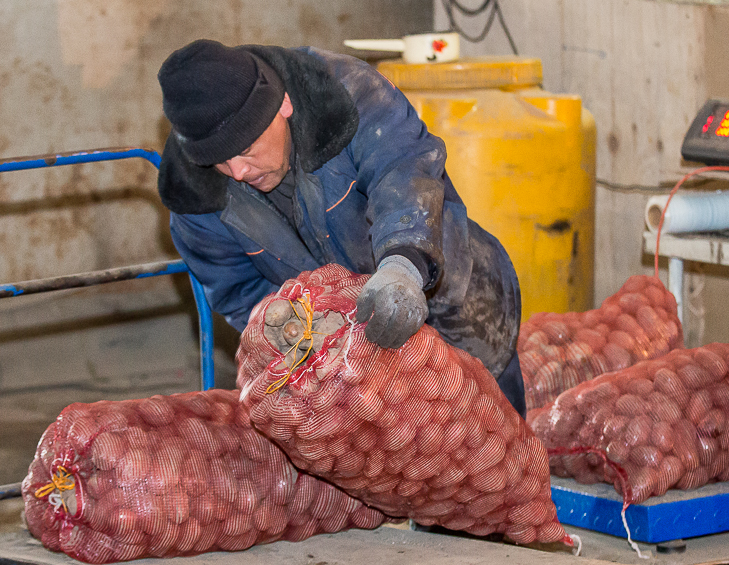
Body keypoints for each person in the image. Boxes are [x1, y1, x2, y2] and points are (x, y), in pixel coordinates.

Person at [156, 39, 526, 417]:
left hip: (444, 292)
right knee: (395, 452)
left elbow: (402, 167)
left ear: (283, 103)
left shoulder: (342, 93)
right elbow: (239, 291)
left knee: (494, 435)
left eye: (247, 148)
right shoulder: (193, 196)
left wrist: (403, 265)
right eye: (219, 161)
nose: (238, 172)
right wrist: (298, 331)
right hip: (344, 357)